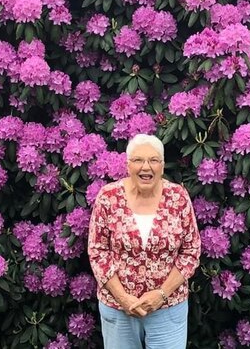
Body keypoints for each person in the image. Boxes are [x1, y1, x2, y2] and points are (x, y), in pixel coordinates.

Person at [87, 133, 201, 349]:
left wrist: (161, 294)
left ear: (163, 165)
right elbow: (98, 251)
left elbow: (191, 252)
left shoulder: (178, 197)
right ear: (128, 165)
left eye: (153, 160)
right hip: (118, 308)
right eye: (138, 160)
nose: (145, 167)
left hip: (167, 308)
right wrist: (123, 298)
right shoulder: (108, 197)